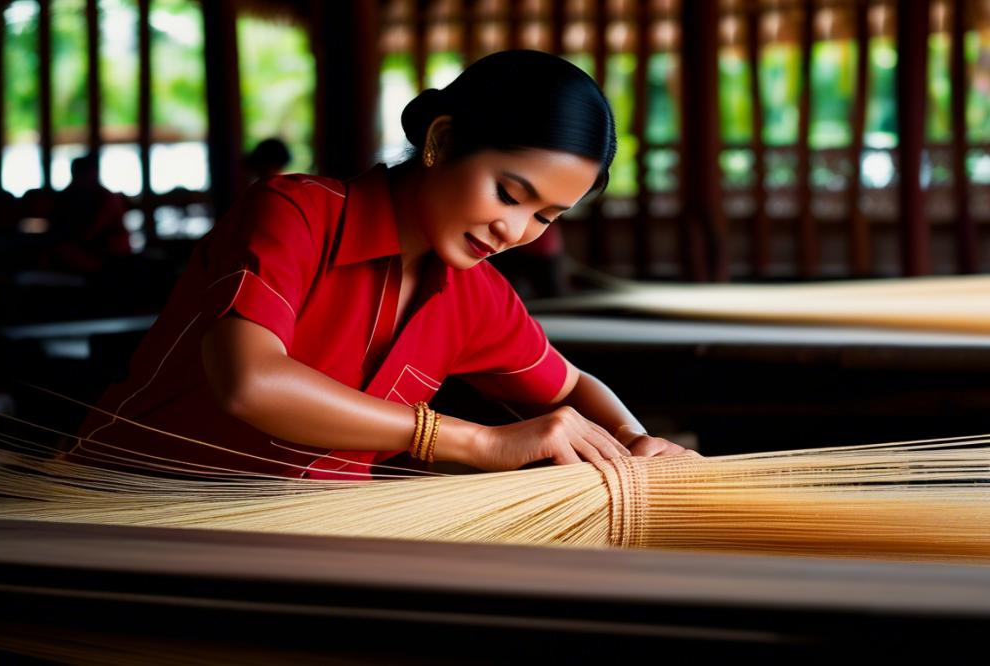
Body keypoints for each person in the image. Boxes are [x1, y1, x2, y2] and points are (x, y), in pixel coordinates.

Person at [69, 50, 689, 480]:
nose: (514, 230)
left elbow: (572, 386)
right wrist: (479, 441)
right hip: (138, 513)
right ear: (441, 141)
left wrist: (634, 441)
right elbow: (249, 382)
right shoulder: (296, 214)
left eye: (546, 218)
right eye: (508, 193)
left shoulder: (477, 294)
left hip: (305, 539)